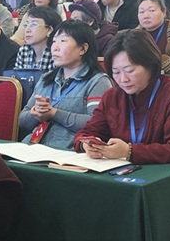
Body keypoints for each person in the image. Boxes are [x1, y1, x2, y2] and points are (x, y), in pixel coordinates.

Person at [73, 30, 170, 165]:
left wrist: (129, 151)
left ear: (150, 64)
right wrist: (86, 144)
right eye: (116, 72)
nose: (123, 79)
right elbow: (88, 132)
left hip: (169, 177)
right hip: (122, 174)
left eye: (130, 71)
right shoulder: (112, 96)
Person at [19, 20, 112, 148]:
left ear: (83, 49)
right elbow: (22, 121)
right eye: (54, 41)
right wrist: (35, 114)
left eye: (63, 41)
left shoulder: (98, 81)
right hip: (32, 148)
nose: (55, 47)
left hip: (68, 154)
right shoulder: (46, 79)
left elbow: (97, 123)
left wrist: (54, 114)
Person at [13, 5, 61, 72]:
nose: (27, 30)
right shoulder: (24, 51)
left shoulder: (56, 53)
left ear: (49, 30)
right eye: (26, 25)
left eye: (33, 25)